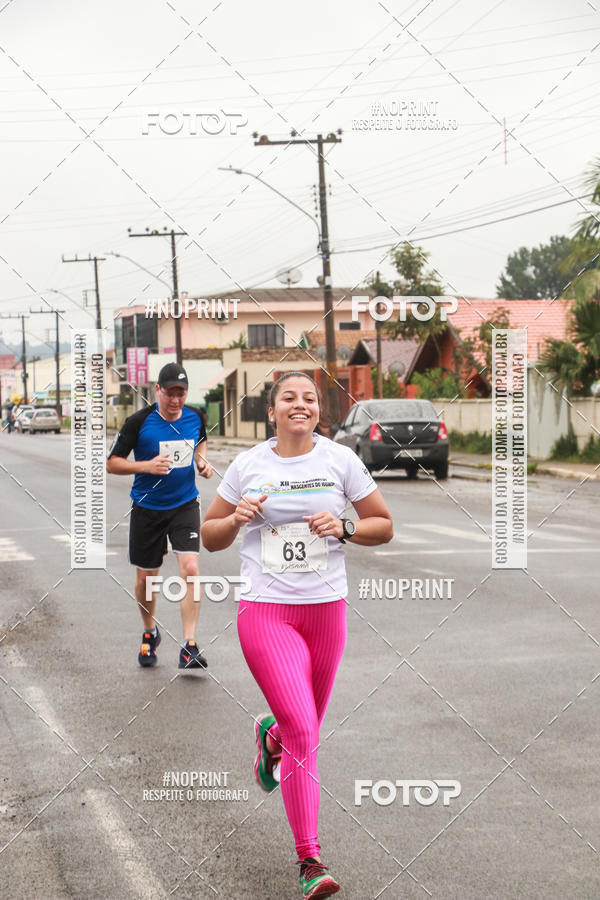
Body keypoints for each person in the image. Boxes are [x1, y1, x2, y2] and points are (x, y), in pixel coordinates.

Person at [201, 372, 393, 899]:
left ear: (318, 410)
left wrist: (345, 527)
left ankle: (271, 737)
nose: (300, 405)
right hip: (266, 613)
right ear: (273, 410)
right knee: (306, 733)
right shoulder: (249, 465)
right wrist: (237, 518)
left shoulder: (339, 460)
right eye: (289, 397)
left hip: (326, 613)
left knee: (300, 726)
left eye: (309, 398)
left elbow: (382, 523)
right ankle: (309, 859)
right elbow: (210, 535)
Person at [107, 362, 213, 669]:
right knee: (146, 580)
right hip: (147, 507)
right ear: (158, 391)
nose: (176, 400)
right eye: (170, 393)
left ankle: (189, 645)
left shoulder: (196, 417)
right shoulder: (138, 422)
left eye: (181, 393)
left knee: (190, 568)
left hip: (184, 505)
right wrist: (146, 466)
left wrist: (202, 461)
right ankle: (150, 632)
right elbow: (112, 463)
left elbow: (201, 441)